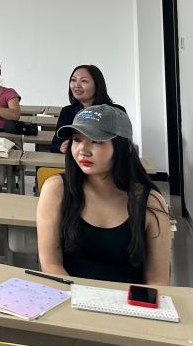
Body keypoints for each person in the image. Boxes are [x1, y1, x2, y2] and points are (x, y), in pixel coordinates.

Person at [37, 105, 171, 284]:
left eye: (96, 141)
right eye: (76, 139)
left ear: (123, 146)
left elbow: (158, 279)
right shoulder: (56, 189)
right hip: (71, 295)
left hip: (129, 299)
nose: (82, 150)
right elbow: (51, 264)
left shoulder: (150, 202)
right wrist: (81, 297)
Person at [51, 65, 123, 153]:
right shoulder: (67, 111)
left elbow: (123, 146)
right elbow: (54, 144)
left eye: (84, 81)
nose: (77, 85)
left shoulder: (115, 112)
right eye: (73, 80)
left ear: (97, 85)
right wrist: (61, 147)